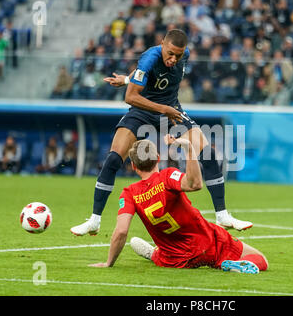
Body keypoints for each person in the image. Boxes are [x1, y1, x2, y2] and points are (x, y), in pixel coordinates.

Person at [70, 29, 252, 236]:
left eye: (179, 55)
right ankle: (94, 220)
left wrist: (128, 79)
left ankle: (222, 215)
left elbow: (141, 74)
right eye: (170, 53)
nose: (174, 59)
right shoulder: (150, 56)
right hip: (143, 110)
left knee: (208, 154)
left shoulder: (186, 54)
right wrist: (155, 103)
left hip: (171, 110)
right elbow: (130, 98)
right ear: (162, 43)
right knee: (113, 159)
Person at [89, 138, 268, 274]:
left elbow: (121, 231)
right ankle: (229, 264)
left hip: (174, 259)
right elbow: (195, 184)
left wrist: (109, 263)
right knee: (261, 259)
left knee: (156, 253)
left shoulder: (129, 193)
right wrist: (189, 149)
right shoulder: (167, 176)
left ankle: (153, 254)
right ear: (158, 158)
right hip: (207, 244)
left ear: (134, 166)